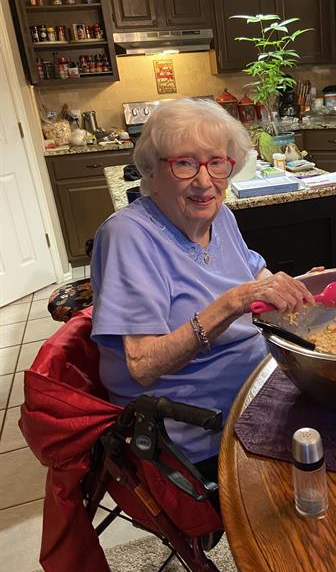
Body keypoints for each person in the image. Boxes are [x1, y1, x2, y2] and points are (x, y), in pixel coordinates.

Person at [91, 98, 314, 478]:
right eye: (184, 163)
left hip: (260, 383)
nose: (204, 180)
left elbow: (255, 275)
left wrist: (296, 287)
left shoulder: (220, 215)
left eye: (216, 162)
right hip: (193, 425)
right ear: (152, 170)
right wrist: (234, 302)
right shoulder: (128, 235)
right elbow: (143, 365)